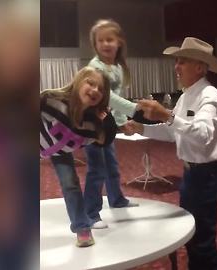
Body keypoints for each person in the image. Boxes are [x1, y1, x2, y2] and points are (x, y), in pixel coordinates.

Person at [128, 37, 217, 269]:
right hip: (193, 175)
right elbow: (174, 132)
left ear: (200, 67)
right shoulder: (186, 96)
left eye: (182, 61)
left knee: (202, 244)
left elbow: (203, 134)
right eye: (177, 61)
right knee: (193, 238)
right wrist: (142, 128)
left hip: (207, 176)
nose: (176, 66)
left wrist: (167, 115)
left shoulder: (210, 97)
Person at [40, 66, 117, 247]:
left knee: (71, 184)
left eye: (101, 89)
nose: (95, 90)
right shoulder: (50, 100)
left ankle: (82, 228)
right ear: (78, 81)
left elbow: (104, 138)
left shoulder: (91, 124)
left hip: (61, 152)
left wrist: (113, 122)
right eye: (90, 83)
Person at [84, 19, 139, 230]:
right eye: (100, 41)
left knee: (112, 167)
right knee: (96, 170)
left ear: (119, 42)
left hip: (106, 124)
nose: (105, 44)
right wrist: (135, 110)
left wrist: (122, 123)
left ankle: (116, 199)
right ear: (95, 45)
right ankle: (90, 213)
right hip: (91, 126)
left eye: (110, 39)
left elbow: (117, 96)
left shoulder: (117, 67)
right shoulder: (95, 67)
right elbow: (108, 97)